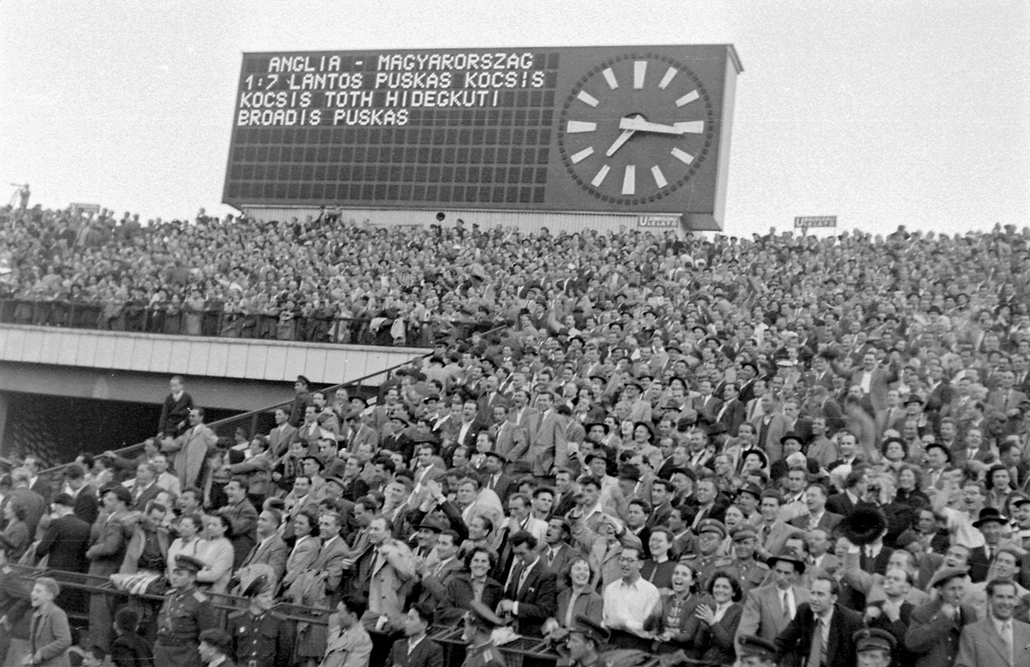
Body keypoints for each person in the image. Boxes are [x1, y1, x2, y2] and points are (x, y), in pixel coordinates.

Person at [773, 575, 863, 667]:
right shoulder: (804, 611)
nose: (814, 599)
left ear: (833, 599)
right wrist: (769, 661)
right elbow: (783, 641)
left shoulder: (851, 620)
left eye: (820, 594)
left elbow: (857, 657)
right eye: (812, 593)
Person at [736, 547, 811, 651]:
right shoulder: (758, 596)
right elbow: (746, 631)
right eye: (778, 571)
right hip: (768, 658)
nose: (781, 577)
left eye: (786, 573)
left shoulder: (806, 596)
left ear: (796, 575)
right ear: (772, 570)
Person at [904, 566, 977, 667]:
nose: (958, 594)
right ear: (940, 590)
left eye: (960, 588)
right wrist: (941, 619)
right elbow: (912, 644)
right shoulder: (923, 612)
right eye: (952, 589)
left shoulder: (969, 611)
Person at [153, 555, 217, 667]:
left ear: (192, 578)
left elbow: (208, 636)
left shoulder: (201, 602)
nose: (174, 577)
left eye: (180, 574)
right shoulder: (169, 596)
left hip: (185, 658)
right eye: (174, 573)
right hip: (163, 657)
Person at [955, 578, 1030, 667]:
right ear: (989, 599)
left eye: (1010, 597)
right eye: (1000, 597)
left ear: (1015, 600)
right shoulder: (972, 633)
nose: (1006, 602)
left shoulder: (1027, 631)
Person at [497, 530, 557, 637]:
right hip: (513, 631)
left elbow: (544, 610)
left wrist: (514, 606)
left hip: (532, 635)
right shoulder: (517, 568)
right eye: (515, 554)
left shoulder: (547, 575)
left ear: (534, 549)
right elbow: (510, 593)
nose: (518, 558)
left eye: (522, 554)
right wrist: (503, 602)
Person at [601, 545, 660, 651]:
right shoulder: (611, 589)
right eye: (622, 559)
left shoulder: (650, 591)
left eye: (629, 560)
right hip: (613, 642)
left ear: (640, 564)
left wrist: (624, 624)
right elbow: (606, 619)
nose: (624, 564)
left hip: (638, 645)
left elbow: (649, 631)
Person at [227, 576, 294, 667]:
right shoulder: (236, 619)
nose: (269, 599)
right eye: (264, 596)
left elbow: (284, 653)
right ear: (253, 598)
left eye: (270, 596)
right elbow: (230, 650)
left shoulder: (279, 621)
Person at [645, 561, 703, 656]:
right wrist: (653, 614)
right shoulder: (664, 600)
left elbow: (688, 636)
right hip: (661, 648)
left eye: (684, 574)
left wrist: (672, 635)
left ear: (692, 582)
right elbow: (646, 627)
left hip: (683, 652)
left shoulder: (696, 604)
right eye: (676, 573)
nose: (678, 577)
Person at [439, 547, 504, 626]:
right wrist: (465, 614)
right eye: (476, 560)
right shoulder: (456, 583)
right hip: (458, 631)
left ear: (489, 566)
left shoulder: (496, 588)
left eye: (484, 561)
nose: (479, 565)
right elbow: (442, 610)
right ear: (470, 563)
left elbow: (498, 617)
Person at [694, 571, 744, 666]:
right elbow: (698, 646)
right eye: (717, 586)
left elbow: (729, 647)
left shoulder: (739, 611)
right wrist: (704, 629)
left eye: (725, 587)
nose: (720, 590)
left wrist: (712, 622)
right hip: (705, 662)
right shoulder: (709, 609)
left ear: (733, 592)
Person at [26, 577, 72, 667]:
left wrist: (42, 652)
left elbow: (65, 640)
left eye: (38, 591)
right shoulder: (35, 615)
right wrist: (30, 654)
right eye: (33, 590)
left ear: (49, 596)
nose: (32, 593)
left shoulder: (57, 613)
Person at [384, 602, 444, 667]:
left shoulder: (433, 650)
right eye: (407, 618)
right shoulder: (397, 645)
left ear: (424, 624)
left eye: (411, 619)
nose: (406, 622)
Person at [320, 595, 371, 667]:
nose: (337, 616)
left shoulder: (362, 641)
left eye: (340, 613)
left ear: (352, 616)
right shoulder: (336, 632)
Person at [460, 600, 506, 667]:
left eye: (466, 626)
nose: (464, 631)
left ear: (473, 629)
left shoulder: (490, 662)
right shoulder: (474, 651)